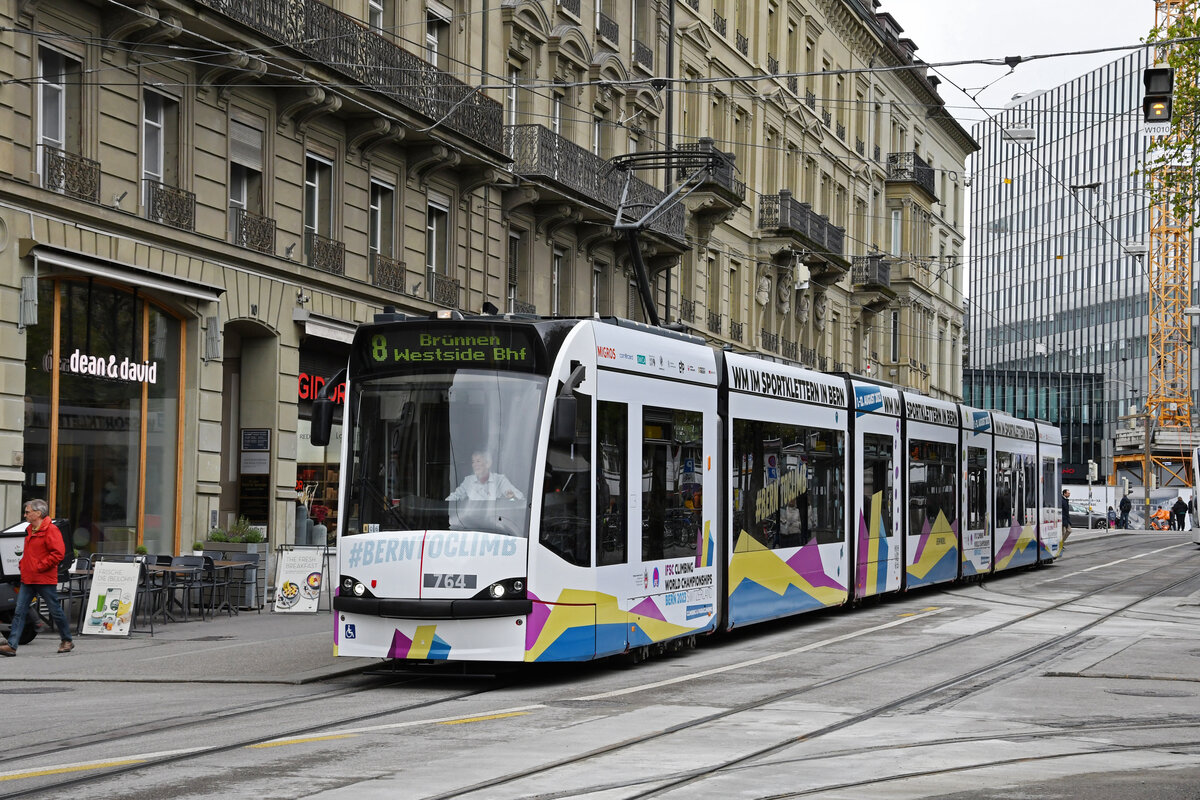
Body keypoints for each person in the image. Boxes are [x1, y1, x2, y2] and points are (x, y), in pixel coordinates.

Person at [0, 500, 74, 657]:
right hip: (29, 578)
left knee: (55, 610)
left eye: (27, 512)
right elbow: (29, 553)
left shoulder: (51, 530)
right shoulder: (30, 529)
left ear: (38, 513)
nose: (25, 515)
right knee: (20, 612)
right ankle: (12, 646)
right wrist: (23, 564)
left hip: (44, 578)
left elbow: (58, 554)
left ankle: (67, 640)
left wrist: (39, 567)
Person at [446, 451, 525, 502]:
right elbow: (455, 497)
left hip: (494, 523)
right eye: (473, 462)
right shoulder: (468, 480)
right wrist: (445, 503)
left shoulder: (500, 480)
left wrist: (511, 498)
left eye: (478, 461)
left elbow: (519, 499)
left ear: (488, 463)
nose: (474, 465)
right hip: (472, 522)